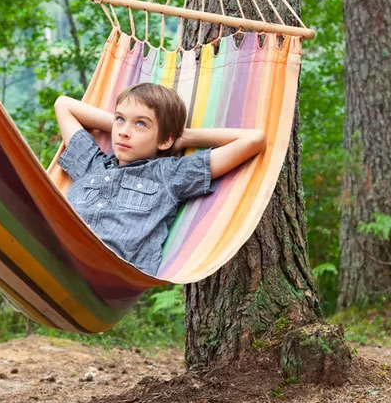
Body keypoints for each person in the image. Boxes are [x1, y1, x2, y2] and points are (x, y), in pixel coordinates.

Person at [54, 83, 265, 275]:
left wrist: (185, 138)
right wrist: (126, 126)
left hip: (108, 275)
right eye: (119, 119)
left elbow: (254, 140)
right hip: (56, 257)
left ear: (165, 140)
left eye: (141, 124)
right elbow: (64, 105)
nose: (124, 133)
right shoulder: (91, 164)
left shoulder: (168, 174)